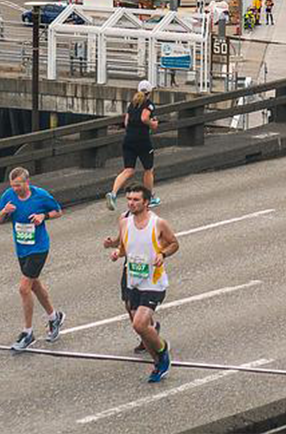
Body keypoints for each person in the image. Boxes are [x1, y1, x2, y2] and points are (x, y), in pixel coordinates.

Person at [104, 186, 178, 383]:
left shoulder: (158, 223)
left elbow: (174, 243)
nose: (131, 203)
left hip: (153, 282)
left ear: (146, 202)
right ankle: (158, 363)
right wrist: (116, 253)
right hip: (134, 281)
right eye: (129, 199)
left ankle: (163, 350)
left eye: (136, 200)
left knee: (139, 323)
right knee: (139, 327)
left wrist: (162, 254)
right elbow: (124, 248)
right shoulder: (124, 223)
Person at [0, 165, 64, 351]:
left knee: (24, 288)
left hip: (39, 248)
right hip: (22, 249)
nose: (15, 189)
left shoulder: (40, 195)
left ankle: (28, 332)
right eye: (13, 185)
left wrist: (43, 216)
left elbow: (58, 211)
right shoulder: (8, 195)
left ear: (27, 182)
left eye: (18, 185)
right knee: (34, 285)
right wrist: (4, 212)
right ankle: (54, 317)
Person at [107, 82, 158, 210]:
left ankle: (113, 193)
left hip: (128, 139)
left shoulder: (132, 103)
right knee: (148, 169)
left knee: (128, 169)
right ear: (149, 92)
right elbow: (144, 118)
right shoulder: (148, 104)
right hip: (142, 140)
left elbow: (126, 122)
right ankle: (149, 198)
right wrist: (152, 124)